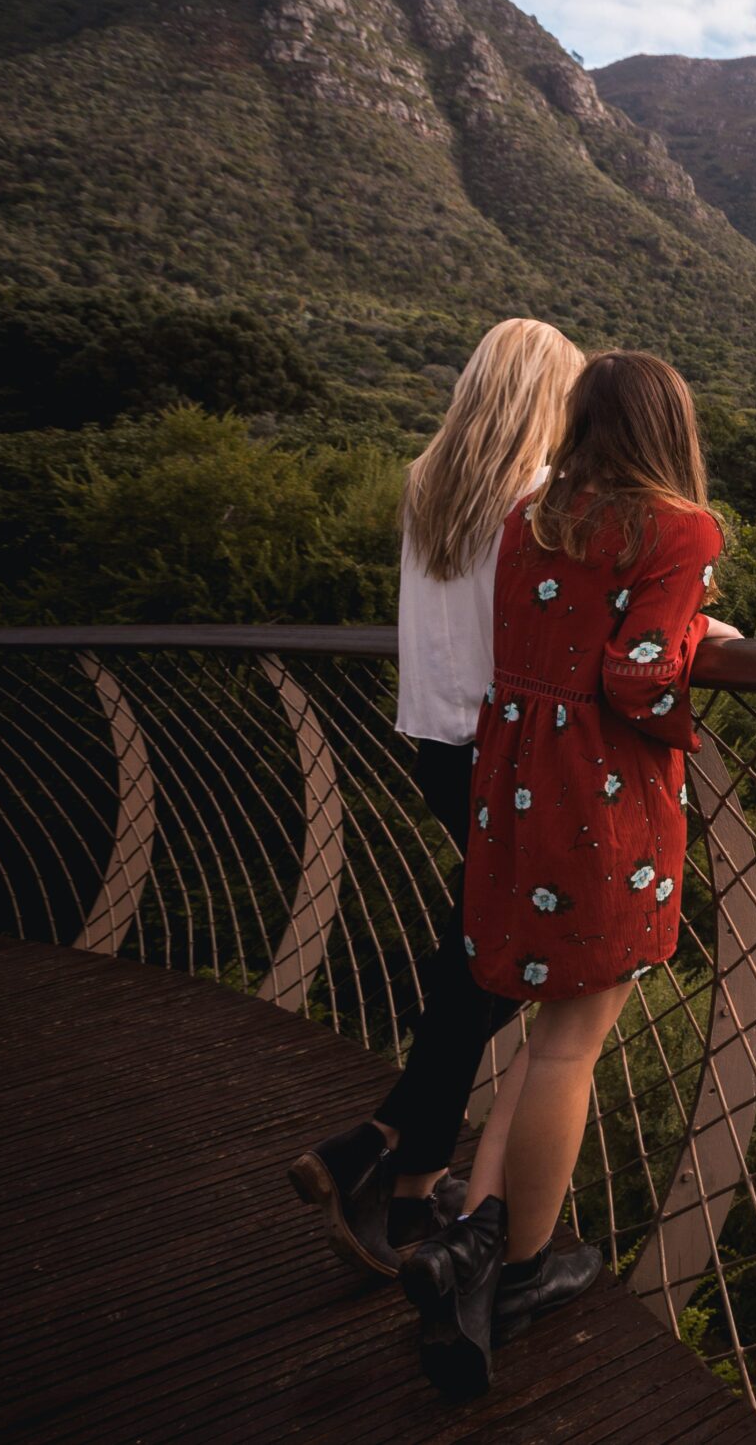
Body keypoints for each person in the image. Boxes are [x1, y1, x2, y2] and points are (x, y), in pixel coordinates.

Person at [400, 350, 740, 1400]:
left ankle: (472, 1238)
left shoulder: (530, 518)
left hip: (511, 784)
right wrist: (695, 626)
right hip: (598, 797)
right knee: (573, 1043)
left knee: (547, 1026)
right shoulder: (679, 530)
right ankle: (523, 1270)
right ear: (670, 427)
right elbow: (638, 682)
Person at [288, 318, 585, 1278]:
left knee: (480, 953)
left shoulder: (429, 482)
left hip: (436, 748)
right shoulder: (538, 501)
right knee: (503, 964)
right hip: (511, 757)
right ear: (550, 396)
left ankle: (397, 1170)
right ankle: (396, 1170)